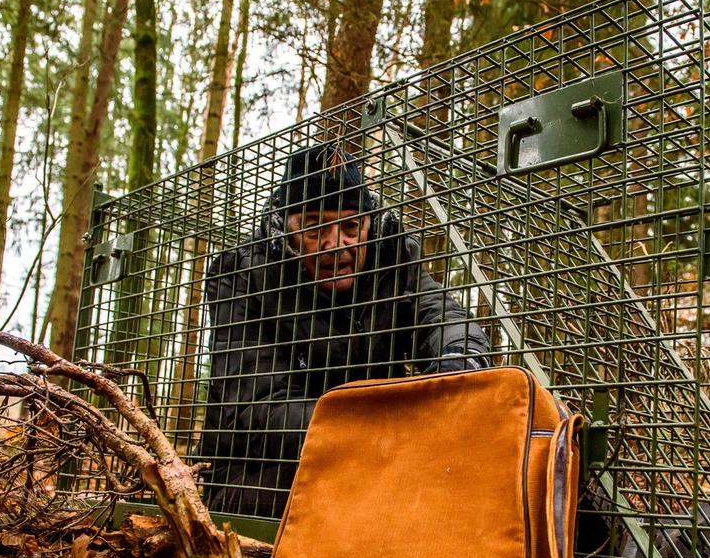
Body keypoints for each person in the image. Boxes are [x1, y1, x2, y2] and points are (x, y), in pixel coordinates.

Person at [196, 141, 491, 517]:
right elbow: (255, 408)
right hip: (259, 474)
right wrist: (378, 431)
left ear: (369, 224)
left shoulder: (394, 258)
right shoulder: (240, 274)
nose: (336, 245)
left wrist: (459, 364)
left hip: (380, 452)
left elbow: (442, 316)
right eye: (314, 227)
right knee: (379, 499)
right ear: (285, 228)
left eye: (350, 226)